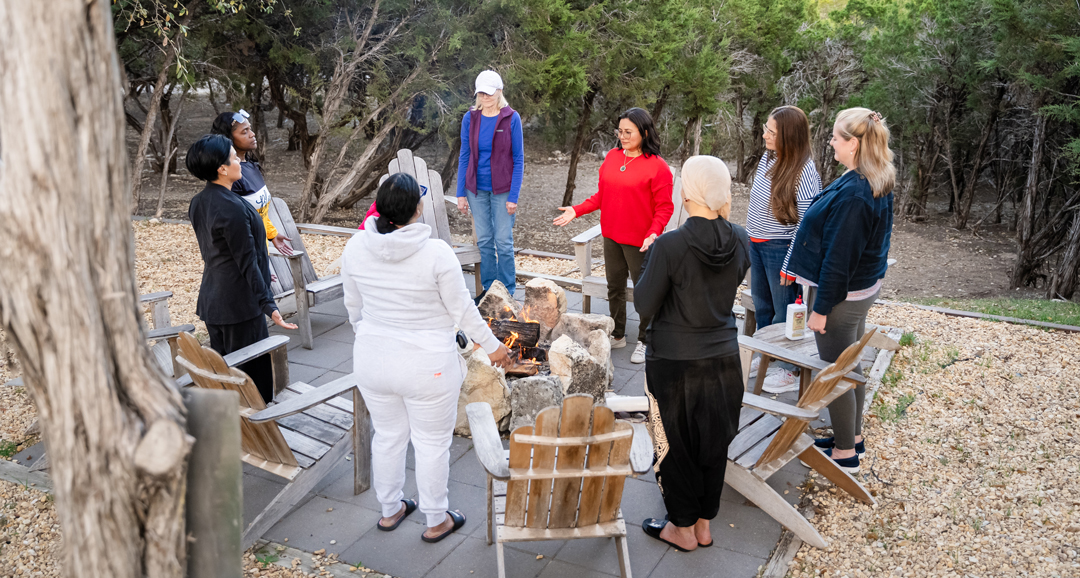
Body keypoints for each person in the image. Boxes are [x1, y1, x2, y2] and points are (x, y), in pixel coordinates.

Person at [341, 173, 513, 542]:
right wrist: (494, 347)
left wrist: (369, 338)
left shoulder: (355, 246)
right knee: (432, 444)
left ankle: (390, 511)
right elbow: (465, 311)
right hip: (428, 366)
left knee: (387, 436)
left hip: (372, 360)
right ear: (417, 210)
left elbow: (353, 307)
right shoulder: (436, 253)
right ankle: (436, 519)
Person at [633, 155, 750, 552]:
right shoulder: (741, 238)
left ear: (687, 191)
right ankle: (703, 524)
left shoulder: (670, 244)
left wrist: (651, 260)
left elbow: (644, 304)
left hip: (674, 363)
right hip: (725, 361)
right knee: (713, 444)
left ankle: (681, 528)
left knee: (674, 446)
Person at [780, 107, 896, 474]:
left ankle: (846, 454)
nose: (829, 141)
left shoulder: (856, 195)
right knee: (851, 365)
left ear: (855, 143)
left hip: (843, 298)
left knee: (835, 372)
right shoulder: (868, 175)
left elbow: (839, 259)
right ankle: (853, 436)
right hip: (860, 290)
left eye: (835, 136)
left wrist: (821, 308)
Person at [553, 107, 674, 364]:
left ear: (644, 132)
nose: (622, 136)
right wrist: (577, 210)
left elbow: (665, 208)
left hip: (640, 242)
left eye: (628, 132)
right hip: (612, 236)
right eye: (620, 131)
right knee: (614, 288)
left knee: (644, 291)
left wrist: (653, 233)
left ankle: (646, 339)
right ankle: (618, 333)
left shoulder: (657, 167)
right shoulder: (612, 157)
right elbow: (601, 197)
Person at [186, 134, 297, 403]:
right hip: (239, 306)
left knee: (225, 377)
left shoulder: (199, 202)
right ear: (222, 169)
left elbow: (225, 253)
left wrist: (261, 266)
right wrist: (269, 305)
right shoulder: (233, 208)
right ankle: (260, 434)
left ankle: (236, 435)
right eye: (234, 157)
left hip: (215, 300)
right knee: (251, 383)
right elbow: (245, 262)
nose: (239, 161)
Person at [746, 106, 821, 394]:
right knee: (763, 307)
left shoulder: (803, 173)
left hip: (781, 249)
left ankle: (788, 368)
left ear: (788, 137)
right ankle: (765, 354)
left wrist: (791, 263)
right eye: (766, 128)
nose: (764, 134)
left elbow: (807, 225)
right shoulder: (770, 156)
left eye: (771, 132)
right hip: (758, 243)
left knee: (784, 312)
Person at [455, 70, 525, 296]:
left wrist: (513, 196)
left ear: (499, 91)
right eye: (481, 93)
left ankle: (507, 290)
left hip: (503, 189)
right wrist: (460, 193)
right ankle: (489, 289)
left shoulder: (511, 118)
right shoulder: (470, 118)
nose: (485, 97)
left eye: (489, 93)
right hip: (476, 189)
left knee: (503, 241)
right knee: (484, 240)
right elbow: (464, 155)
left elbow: (519, 158)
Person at [210, 109, 294, 257]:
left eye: (251, 129)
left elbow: (258, 213)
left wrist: (272, 234)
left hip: (259, 256)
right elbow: (234, 228)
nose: (252, 134)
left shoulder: (251, 166)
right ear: (228, 139)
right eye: (245, 132)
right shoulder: (230, 177)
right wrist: (253, 269)